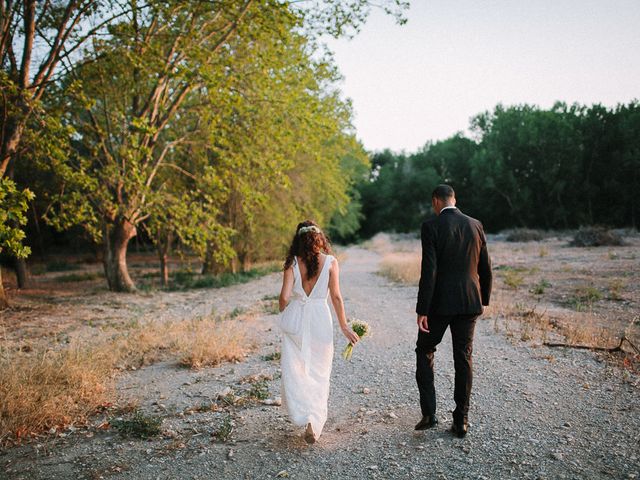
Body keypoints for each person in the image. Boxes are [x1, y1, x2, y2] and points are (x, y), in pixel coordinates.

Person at [415, 185, 492, 438]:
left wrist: (422, 309)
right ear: (454, 200)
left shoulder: (431, 226)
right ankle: (462, 420)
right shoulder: (475, 224)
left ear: (436, 201)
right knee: (464, 357)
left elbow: (430, 271)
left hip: (439, 304)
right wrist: (484, 298)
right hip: (470, 302)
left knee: (425, 349)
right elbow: (485, 266)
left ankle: (429, 414)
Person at [278, 220, 359, 444]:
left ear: (298, 240)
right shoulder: (331, 262)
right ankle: (314, 422)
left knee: (297, 370)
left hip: (296, 320)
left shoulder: (292, 262)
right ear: (319, 239)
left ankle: (303, 416)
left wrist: (285, 312)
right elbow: (336, 296)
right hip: (320, 320)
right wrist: (344, 326)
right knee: (320, 372)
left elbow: (284, 297)